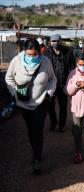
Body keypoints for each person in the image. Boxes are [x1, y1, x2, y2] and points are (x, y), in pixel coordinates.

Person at [5, 39, 57, 173]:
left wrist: (48, 94)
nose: (32, 57)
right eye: (29, 54)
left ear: (39, 52)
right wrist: (13, 93)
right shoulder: (16, 61)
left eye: (35, 54)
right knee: (30, 129)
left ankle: (37, 158)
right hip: (23, 102)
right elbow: (9, 78)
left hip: (41, 102)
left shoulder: (45, 61)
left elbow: (52, 79)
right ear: (24, 51)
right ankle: (35, 150)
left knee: (37, 128)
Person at [44, 34, 76, 132]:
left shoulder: (68, 52)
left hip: (63, 83)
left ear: (61, 41)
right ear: (50, 42)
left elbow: (72, 67)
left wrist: (70, 81)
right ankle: (53, 123)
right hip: (50, 84)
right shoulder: (46, 52)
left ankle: (61, 125)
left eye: (58, 41)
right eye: (53, 41)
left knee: (63, 106)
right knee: (50, 105)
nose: (56, 43)